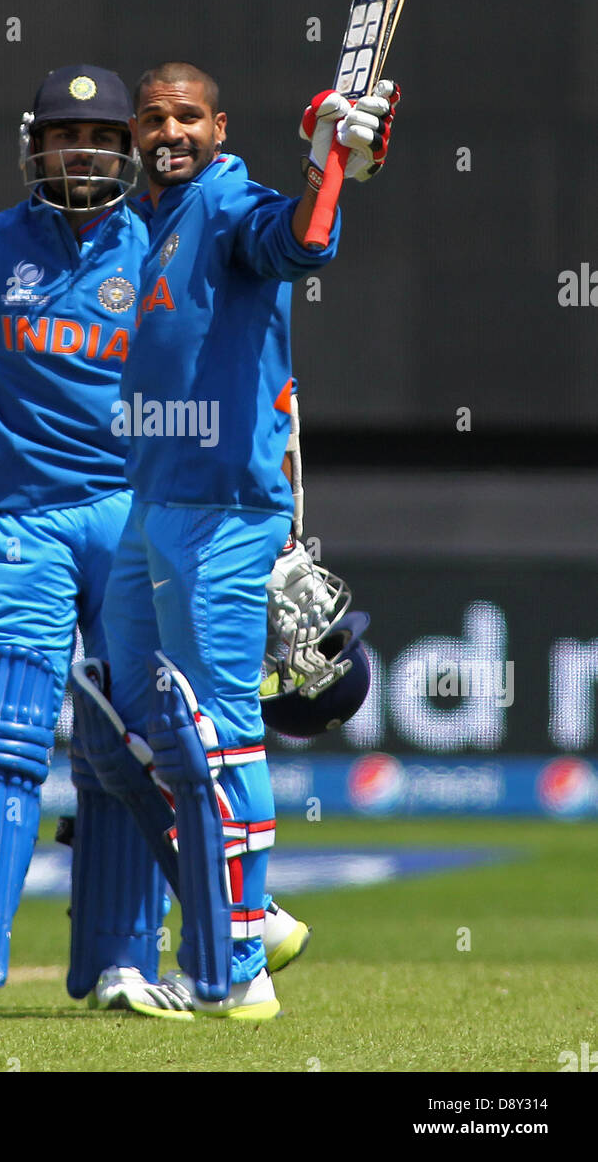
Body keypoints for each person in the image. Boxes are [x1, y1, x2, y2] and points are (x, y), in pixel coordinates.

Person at [0, 62, 312, 1018]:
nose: (80, 153)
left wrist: (275, 521)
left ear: (129, 153)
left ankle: (125, 957)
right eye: (61, 137)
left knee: (131, 738)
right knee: (4, 718)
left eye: (101, 138)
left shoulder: (167, 237)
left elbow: (255, 358)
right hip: (28, 519)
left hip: (139, 513)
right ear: (33, 146)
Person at [82, 61, 397, 1020]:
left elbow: (301, 244)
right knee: (111, 726)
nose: (167, 131)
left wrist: (328, 167)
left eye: (186, 116)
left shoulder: (227, 203)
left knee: (215, 732)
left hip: (224, 512)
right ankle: (260, 915)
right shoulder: (143, 225)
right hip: (151, 504)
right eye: (152, 119)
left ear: (219, 126)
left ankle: (237, 968)